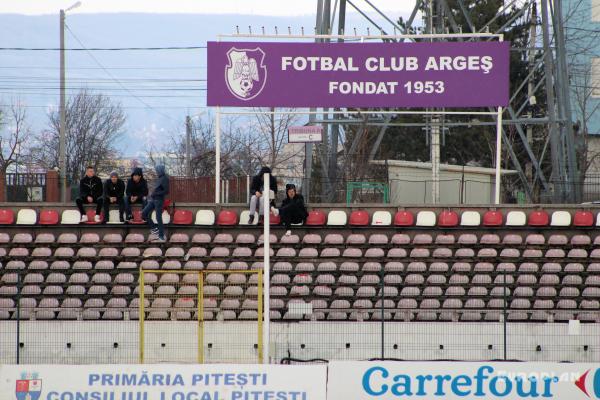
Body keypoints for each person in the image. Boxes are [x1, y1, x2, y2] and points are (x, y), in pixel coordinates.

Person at [142, 165, 169, 242]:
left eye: (157, 170)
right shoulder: (159, 178)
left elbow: (166, 191)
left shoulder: (165, 178)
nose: (157, 172)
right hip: (153, 200)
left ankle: (161, 236)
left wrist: (156, 193)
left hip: (159, 201)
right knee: (144, 213)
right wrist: (153, 194)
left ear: (161, 170)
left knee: (158, 218)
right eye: (156, 170)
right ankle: (154, 228)